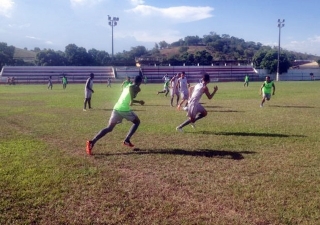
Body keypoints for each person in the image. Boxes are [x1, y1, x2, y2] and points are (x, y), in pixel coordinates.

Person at [86, 75, 145, 155]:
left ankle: (92, 142)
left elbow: (128, 96)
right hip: (124, 109)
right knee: (137, 122)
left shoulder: (128, 85)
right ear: (140, 82)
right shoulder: (133, 86)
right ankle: (127, 140)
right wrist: (132, 99)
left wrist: (138, 101)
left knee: (109, 128)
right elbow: (131, 92)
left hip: (117, 108)